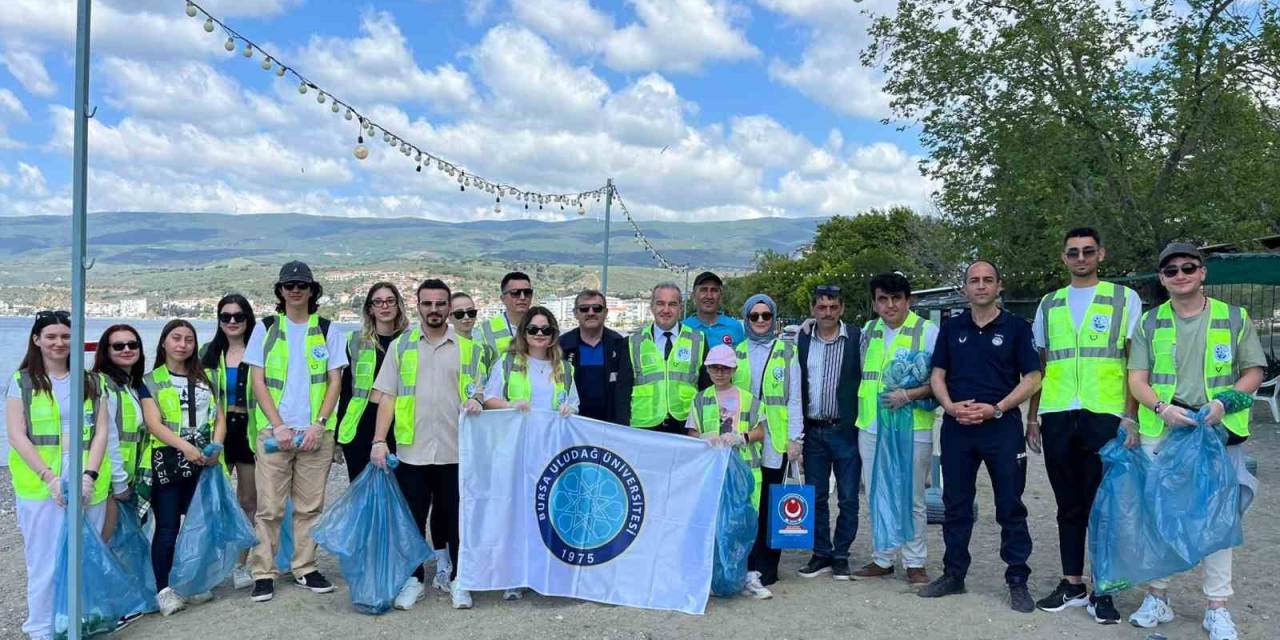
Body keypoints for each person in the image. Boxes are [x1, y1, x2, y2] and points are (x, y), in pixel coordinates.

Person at [1125, 242, 1265, 640]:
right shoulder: (1150, 323)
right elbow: (1137, 379)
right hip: (1167, 432)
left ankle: (1217, 608)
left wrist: (1225, 402)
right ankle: (1158, 597)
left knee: (1219, 521)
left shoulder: (1233, 317)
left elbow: (1253, 370)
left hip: (1217, 433)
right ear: (1162, 278)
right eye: (1171, 270)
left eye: (1189, 267)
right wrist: (1161, 409)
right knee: (1161, 518)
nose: (1181, 275)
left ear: (1202, 272)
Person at [1027, 228, 1142, 623]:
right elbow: (1042, 365)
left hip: (1105, 413)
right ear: (1063, 258)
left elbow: (1134, 363)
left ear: (1101, 254)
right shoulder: (1049, 303)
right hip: (1058, 413)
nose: (1081, 258)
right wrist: (1032, 417)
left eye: (1088, 251)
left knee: (1105, 506)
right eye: (1073, 252)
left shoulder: (1124, 299)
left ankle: (1104, 590)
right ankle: (1072, 584)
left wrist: (1131, 416)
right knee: (1067, 504)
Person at [921, 260, 1041, 613]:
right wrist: (950, 407)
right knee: (955, 505)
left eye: (988, 280)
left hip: (1001, 427)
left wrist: (998, 408)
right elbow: (938, 375)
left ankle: (1017, 579)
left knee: (1010, 505)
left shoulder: (1017, 328)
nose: (981, 285)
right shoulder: (951, 328)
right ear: (965, 289)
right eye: (974, 280)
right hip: (958, 428)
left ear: (999, 286)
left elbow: (1033, 378)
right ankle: (953, 574)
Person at [370, 279, 486, 611]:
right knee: (412, 520)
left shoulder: (470, 349)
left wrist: (477, 400)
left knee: (456, 520)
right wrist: (380, 440)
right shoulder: (401, 346)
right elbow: (388, 397)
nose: (434, 309)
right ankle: (414, 579)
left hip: (456, 451)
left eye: (440, 303)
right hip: (412, 451)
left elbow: (478, 392)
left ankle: (459, 580)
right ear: (418, 306)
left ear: (449, 307)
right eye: (427, 304)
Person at [245, 261, 347, 603]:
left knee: (309, 508)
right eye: (289, 285)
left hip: (315, 434)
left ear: (312, 289)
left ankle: (304, 567)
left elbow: (335, 381)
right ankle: (264, 571)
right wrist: (278, 425)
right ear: (280, 291)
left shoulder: (330, 330)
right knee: (269, 508)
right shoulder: (266, 328)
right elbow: (257, 381)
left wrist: (319, 424)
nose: (296, 290)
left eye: (302, 284)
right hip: (276, 434)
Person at [6, 311, 112, 640]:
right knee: (44, 560)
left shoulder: (94, 382)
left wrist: (89, 475)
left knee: (83, 558)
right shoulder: (21, 381)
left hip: (86, 480)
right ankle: (41, 629)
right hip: (40, 484)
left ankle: (77, 623)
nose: (59, 343)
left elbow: (102, 432)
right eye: (51, 336)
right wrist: (50, 478)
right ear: (36, 340)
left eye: (66, 336)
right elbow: (16, 435)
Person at [852, 273, 939, 585]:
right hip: (872, 426)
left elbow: (941, 381)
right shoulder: (867, 331)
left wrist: (910, 395)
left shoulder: (927, 332)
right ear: (874, 303)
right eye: (882, 299)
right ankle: (883, 557)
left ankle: (915, 561)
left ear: (908, 300)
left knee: (912, 496)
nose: (890, 305)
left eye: (896, 298)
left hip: (912, 427)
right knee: (877, 492)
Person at [140, 319, 227, 616]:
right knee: (166, 527)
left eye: (188, 339)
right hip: (169, 461)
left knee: (200, 524)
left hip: (204, 461)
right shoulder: (151, 380)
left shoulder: (208, 378)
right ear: (164, 342)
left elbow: (219, 417)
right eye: (176, 338)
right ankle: (163, 589)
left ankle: (192, 581)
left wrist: (215, 446)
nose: (182, 344)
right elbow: (153, 423)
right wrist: (185, 447)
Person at [686, 344, 772, 600]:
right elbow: (691, 433)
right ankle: (717, 578)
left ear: (734, 369)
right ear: (708, 370)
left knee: (744, 524)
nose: (720, 372)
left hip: (745, 473)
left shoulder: (749, 399)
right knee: (715, 526)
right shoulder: (701, 399)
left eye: (725, 368)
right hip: (714, 475)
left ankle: (747, 576)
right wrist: (703, 437)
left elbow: (761, 431)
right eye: (715, 368)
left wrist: (742, 437)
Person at [734, 294, 801, 587]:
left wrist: (795, 438)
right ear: (746, 319)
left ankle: (768, 565)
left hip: (776, 438)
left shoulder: (788, 351)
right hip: (745, 439)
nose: (760, 321)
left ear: (774, 318)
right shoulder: (735, 352)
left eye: (766, 315)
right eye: (754, 316)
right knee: (747, 500)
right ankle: (744, 560)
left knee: (772, 502)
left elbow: (795, 397)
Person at [796, 285, 862, 581]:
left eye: (833, 307)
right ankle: (821, 552)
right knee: (816, 495)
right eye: (821, 307)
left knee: (848, 497)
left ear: (842, 308)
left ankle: (841, 554)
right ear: (813, 310)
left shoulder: (857, 339)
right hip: (814, 432)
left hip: (845, 430)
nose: (827, 313)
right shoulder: (802, 339)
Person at [199, 294, 258, 590]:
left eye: (238, 316)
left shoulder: (260, 351)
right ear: (219, 320)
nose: (232, 321)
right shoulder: (207, 353)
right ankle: (209, 565)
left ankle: (240, 565)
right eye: (226, 316)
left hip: (249, 431)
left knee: (248, 501)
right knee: (213, 501)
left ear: (248, 318)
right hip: (217, 433)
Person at [337, 282, 408, 481]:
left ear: (398, 305)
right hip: (361, 425)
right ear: (370, 308)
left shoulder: (409, 342)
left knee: (399, 493)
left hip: (399, 425)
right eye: (378, 302)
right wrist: (338, 440)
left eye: (390, 301)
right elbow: (346, 390)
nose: (384, 306)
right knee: (362, 493)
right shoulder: (356, 342)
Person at [627, 282, 709, 434]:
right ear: (652, 307)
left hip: (687, 426)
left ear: (680, 308)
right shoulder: (633, 341)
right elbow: (623, 391)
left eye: (672, 304)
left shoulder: (698, 340)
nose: (666, 310)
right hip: (644, 427)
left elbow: (707, 389)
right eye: (660, 304)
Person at [92, 324, 147, 542]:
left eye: (132, 344)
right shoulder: (104, 385)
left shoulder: (131, 387)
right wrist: (119, 482)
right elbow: (109, 438)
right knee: (105, 545)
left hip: (127, 477)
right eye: (118, 346)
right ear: (106, 351)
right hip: (109, 482)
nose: (126, 349)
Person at [484, 305, 580, 417]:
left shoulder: (565, 368)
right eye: (533, 329)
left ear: (553, 334)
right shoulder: (507, 362)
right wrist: (510, 405)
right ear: (524, 333)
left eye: (546, 330)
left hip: (552, 433)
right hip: (517, 432)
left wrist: (569, 409)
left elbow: (574, 405)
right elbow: (488, 399)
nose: (539, 334)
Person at [559, 289, 632, 425]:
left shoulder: (620, 345)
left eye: (597, 308)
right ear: (575, 313)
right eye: (584, 309)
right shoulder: (561, 346)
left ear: (605, 312)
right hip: (572, 423)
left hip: (610, 425)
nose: (591, 313)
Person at [683, 271, 745, 348]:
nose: (709, 296)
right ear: (693, 295)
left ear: (721, 296)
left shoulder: (735, 327)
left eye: (714, 290)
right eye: (704, 290)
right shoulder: (684, 327)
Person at [480, 271, 533, 356]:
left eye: (527, 292)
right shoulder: (485, 330)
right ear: (503, 298)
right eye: (515, 293)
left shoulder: (543, 328)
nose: (522, 297)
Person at [451, 291, 497, 368]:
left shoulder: (486, 351)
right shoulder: (442, 350)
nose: (466, 317)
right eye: (459, 314)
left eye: (471, 312)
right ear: (449, 317)